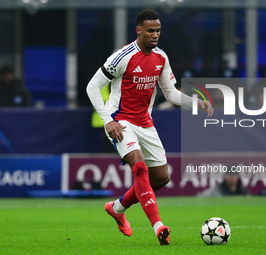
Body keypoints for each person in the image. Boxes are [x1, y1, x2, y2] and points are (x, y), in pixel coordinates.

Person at [86, 9, 213, 245]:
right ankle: (158, 226)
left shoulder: (161, 57)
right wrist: (108, 120)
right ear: (139, 30)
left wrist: (196, 102)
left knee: (162, 178)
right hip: (120, 120)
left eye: (158, 30)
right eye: (150, 30)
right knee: (140, 167)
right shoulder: (121, 57)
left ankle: (117, 208)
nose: (155, 35)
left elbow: (171, 93)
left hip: (145, 122)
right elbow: (92, 87)